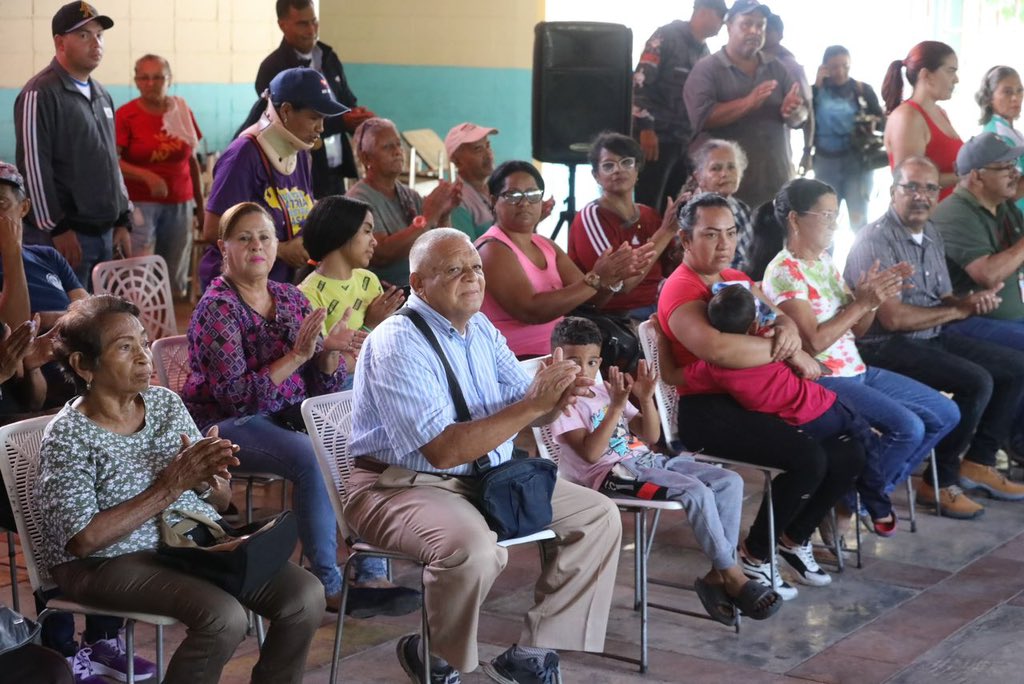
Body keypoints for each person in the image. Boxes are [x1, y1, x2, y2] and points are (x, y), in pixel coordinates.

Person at [346, 228, 622, 682]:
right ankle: (437, 658)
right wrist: (533, 405)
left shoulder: (479, 329)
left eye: (476, 267)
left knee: (598, 516)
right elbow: (442, 450)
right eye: (454, 269)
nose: (472, 278)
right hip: (395, 486)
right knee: (472, 550)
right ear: (418, 284)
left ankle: (531, 655)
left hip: (481, 478)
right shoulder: (397, 341)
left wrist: (556, 396)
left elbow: (523, 407)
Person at [37, 295, 325, 684]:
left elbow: (217, 503)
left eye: (142, 342)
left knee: (304, 596)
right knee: (223, 618)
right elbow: (83, 540)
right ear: (83, 365)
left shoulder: (164, 404)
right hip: (104, 563)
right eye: (125, 347)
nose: (142, 356)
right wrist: (171, 485)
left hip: (185, 544)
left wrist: (211, 482)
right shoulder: (67, 435)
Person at [182, 202, 419, 616]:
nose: (256, 245)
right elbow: (235, 397)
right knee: (312, 458)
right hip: (229, 423)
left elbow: (319, 384)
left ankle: (369, 569)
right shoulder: (217, 309)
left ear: (277, 246)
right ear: (224, 247)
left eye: (265, 237)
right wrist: (296, 355)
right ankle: (325, 580)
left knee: (367, 440)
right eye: (245, 238)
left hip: (290, 413)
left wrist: (329, 356)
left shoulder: (289, 297)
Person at [657, 191, 863, 596]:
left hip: (753, 398)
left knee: (849, 449)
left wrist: (788, 332)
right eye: (711, 234)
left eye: (731, 233)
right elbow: (718, 350)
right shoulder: (680, 290)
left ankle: (792, 538)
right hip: (708, 411)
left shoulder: (734, 280)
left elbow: (780, 315)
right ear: (684, 239)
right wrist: (791, 351)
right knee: (807, 457)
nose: (724, 245)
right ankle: (753, 557)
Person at [549, 316, 782, 624]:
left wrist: (645, 399)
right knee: (695, 492)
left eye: (591, 362)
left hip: (646, 461)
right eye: (574, 362)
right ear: (556, 359)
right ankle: (734, 576)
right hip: (611, 477)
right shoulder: (559, 404)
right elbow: (592, 454)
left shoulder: (605, 390)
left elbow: (651, 436)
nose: (584, 370)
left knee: (729, 481)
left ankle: (717, 575)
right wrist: (617, 407)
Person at [758, 178, 963, 521]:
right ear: (795, 219)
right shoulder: (783, 271)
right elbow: (814, 343)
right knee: (908, 428)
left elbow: (858, 330)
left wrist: (869, 301)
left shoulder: (823, 262)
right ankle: (847, 500)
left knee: (946, 414)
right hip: (824, 379)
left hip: (857, 369)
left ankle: (850, 495)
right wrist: (860, 304)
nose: (834, 224)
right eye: (825, 216)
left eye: (834, 216)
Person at [844, 156, 1024, 509]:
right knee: (977, 381)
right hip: (884, 345)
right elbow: (892, 319)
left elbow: (942, 297)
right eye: (911, 187)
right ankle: (940, 481)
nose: (921, 196)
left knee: (1016, 366)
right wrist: (957, 310)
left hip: (931, 335)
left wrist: (970, 301)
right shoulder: (875, 240)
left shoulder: (931, 233)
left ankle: (980, 461)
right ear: (893, 191)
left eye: (929, 188)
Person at [477, 160, 650, 358]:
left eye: (533, 195)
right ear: (493, 201)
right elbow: (530, 310)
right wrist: (594, 279)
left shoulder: (545, 244)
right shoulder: (492, 248)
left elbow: (589, 301)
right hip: (517, 360)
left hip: (561, 355)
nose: (524, 203)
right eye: (513, 195)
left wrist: (611, 279)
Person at [14, 1, 132, 288]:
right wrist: (57, 227)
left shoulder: (102, 94)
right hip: (66, 236)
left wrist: (122, 217)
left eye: (99, 35)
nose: (96, 43)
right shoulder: (40, 93)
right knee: (66, 324)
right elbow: (33, 167)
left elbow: (110, 162)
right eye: (83, 35)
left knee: (98, 323)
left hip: (105, 232)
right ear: (60, 42)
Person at [198, 67, 348, 290]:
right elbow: (212, 230)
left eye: (323, 119)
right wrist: (281, 249)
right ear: (286, 111)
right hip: (236, 292)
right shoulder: (243, 155)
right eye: (314, 117)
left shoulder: (302, 155)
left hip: (281, 288)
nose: (321, 128)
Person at [683, 0, 807, 210]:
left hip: (775, 183)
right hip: (726, 189)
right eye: (746, 24)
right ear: (729, 25)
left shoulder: (776, 66)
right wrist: (748, 102)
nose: (754, 31)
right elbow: (702, 118)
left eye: (760, 25)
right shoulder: (707, 69)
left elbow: (801, 117)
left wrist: (794, 112)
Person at [256, 0, 376, 197]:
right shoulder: (272, 68)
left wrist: (359, 117)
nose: (311, 30)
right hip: (297, 172)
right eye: (302, 24)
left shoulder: (329, 57)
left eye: (314, 22)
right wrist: (340, 121)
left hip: (336, 168)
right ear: (282, 25)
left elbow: (346, 101)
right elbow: (280, 125)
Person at [116, 54, 204, 297]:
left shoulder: (181, 110)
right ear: (136, 81)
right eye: (144, 78)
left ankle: (170, 328)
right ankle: (138, 328)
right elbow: (112, 162)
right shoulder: (126, 115)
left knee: (174, 272)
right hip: (140, 204)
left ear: (169, 80)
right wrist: (146, 176)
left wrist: (201, 206)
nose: (151, 83)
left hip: (180, 203)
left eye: (158, 77)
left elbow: (193, 161)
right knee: (138, 274)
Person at [568, 132, 680, 320]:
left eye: (626, 162)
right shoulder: (591, 216)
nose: (618, 170)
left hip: (662, 305)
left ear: (637, 170)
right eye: (608, 165)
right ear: (596, 175)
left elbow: (670, 269)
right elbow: (622, 283)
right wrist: (666, 232)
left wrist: (686, 241)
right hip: (620, 315)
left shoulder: (649, 214)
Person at [298, 195, 405, 388]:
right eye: (367, 231)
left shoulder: (368, 279)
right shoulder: (307, 294)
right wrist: (370, 326)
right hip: (343, 391)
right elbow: (322, 370)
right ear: (341, 233)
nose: (374, 242)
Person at [631, 0, 727, 212]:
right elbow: (640, 83)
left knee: (675, 210)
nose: (722, 24)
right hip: (656, 141)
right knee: (648, 208)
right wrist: (645, 128)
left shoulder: (705, 53)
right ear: (703, 12)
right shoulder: (667, 37)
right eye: (720, 17)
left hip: (685, 145)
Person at [346, 117, 462, 290]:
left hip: (418, 289)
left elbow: (439, 246)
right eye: (387, 147)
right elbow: (381, 254)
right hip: (384, 294)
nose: (397, 151)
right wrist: (429, 216)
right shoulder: (358, 199)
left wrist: (443, 214)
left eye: (398, 144)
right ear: (365, 157)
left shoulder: (409, 195)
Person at [811, 45, 885, 228]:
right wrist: (816, 86)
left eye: (845, 66)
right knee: (824, 221)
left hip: (857, 162)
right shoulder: (815, 91)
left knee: (859, 219)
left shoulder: (862, 90)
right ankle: (823, 257)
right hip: (825, 162)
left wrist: (871, 122)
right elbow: (803, 120)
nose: (840, 71)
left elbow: (883, 124)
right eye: (834, 67)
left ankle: (862, 255)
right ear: (825, 67)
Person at [882, 41, 962, 200]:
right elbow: (911, 181)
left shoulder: (940, 112)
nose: (956, 80)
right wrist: (966, 176)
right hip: (923, 219)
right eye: (950, 71)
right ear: (926, 75)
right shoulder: (908, 118)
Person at [679, 138, 755, 272]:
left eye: (731, 167)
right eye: (716, 168)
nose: (725, 174)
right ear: (698, 177)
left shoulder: (742, 208)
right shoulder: (690, 213)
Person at [762, 12, 814, 177]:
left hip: (775, 154)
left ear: (779, 35)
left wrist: (807, 152)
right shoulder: (751, 61)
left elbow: (808, 112)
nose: (760, 33)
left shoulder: (790, 66)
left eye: (766, 30)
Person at [976, 65, 1024, 213]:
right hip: (1015, 220)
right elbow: (1010, 191)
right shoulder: (995, 136)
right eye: (1007, 92)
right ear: (990, 98)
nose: (1015, 98)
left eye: (1020, 90)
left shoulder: (1012, 132)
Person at [445, 122, 499, 239]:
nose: (488, 154)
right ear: (457, 161)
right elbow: (469, 253)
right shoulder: (457, 201)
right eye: (478, 149)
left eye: (488, 145)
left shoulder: (496, 189)